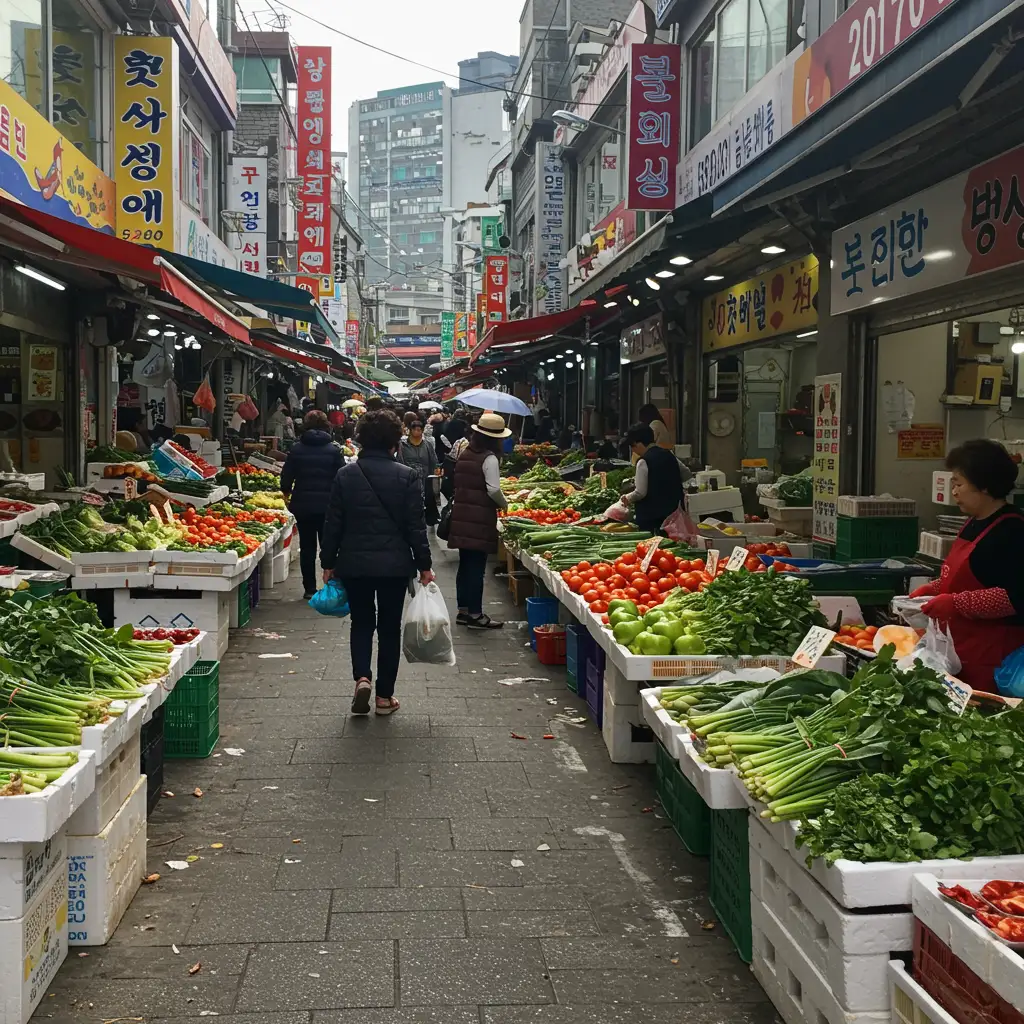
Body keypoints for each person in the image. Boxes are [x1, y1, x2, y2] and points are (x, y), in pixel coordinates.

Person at [321, 409, 433, 715]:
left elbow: (333, 524)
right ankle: (384, 697)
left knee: (361, 623)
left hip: (354, 565)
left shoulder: (345, 476)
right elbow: (415, 527)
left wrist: (327, 561)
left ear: (361, 441)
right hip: (394, 567)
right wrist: (425, 565)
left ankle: (362, 678)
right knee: (388, 628)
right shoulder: (407, 476)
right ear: (395, 442)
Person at [909, 439, 1024, 692]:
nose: (955, 491)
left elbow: (1014, 597)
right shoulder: (973, 522)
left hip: (995, 658)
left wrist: (955, 603)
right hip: (960, 651)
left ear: (984, 485)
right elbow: (965, 578)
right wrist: (933, 588)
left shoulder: (1012, 531)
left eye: (959, 483)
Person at [446, 412, 509, 629]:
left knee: (465, 566)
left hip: (463, 516)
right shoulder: (489, 458)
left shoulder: (466, 452)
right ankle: (475, 614)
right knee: (475, 568)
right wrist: (505, 504)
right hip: (479, 519)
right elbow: (493, 489)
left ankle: (463, 611)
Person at [280, 410, 345, 599]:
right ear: (326, 426)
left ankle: (309, 589)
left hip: (303, 506)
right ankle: (331, 585)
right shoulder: (333, 450)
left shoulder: (297, 449)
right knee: (329, 546)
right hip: (328, 506)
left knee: (307, 548)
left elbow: (286, 477)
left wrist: (287, 492)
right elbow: (342, 476)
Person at [621, 422, 686, 534]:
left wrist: (627, 498)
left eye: (632, 446)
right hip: (673, 517)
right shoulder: (669, 455)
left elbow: (640, 493)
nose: (634, 451)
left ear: (638, 443)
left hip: (651, 520)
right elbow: (686, 474)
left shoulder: (643, 461)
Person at [398, 419, 440, 527]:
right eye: (415, 429)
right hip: (410, 479)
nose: (417, 432)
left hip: (426, 478)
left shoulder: (427, 444)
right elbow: (400, 461)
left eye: (419, 430)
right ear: (411, 431)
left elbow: (433, 459)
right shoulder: (403, 445)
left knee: (428, 499)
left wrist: (436, 470)